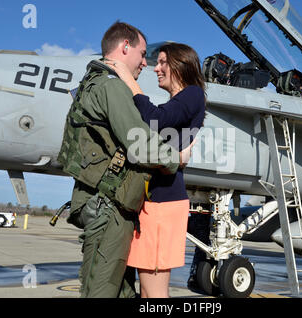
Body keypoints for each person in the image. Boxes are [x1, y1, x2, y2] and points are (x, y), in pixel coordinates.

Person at [57, 22, 192, 298]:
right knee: (103, 291)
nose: (145, 62)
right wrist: (175, 158)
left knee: (124, 291)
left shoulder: (90, 83)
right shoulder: (112, 87)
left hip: (102, 202)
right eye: (142, 54)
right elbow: (139, 144)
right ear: (125, 47)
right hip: (108, 207)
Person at [105, 42, 206, 298]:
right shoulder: (177, 101)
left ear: (180, 65)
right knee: (148, 294)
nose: (156, 68)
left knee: (155, 295)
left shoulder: (192, 94)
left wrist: (128, 79)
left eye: (162, 62)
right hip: (152, 203)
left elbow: (156, 121)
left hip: (164, 204)